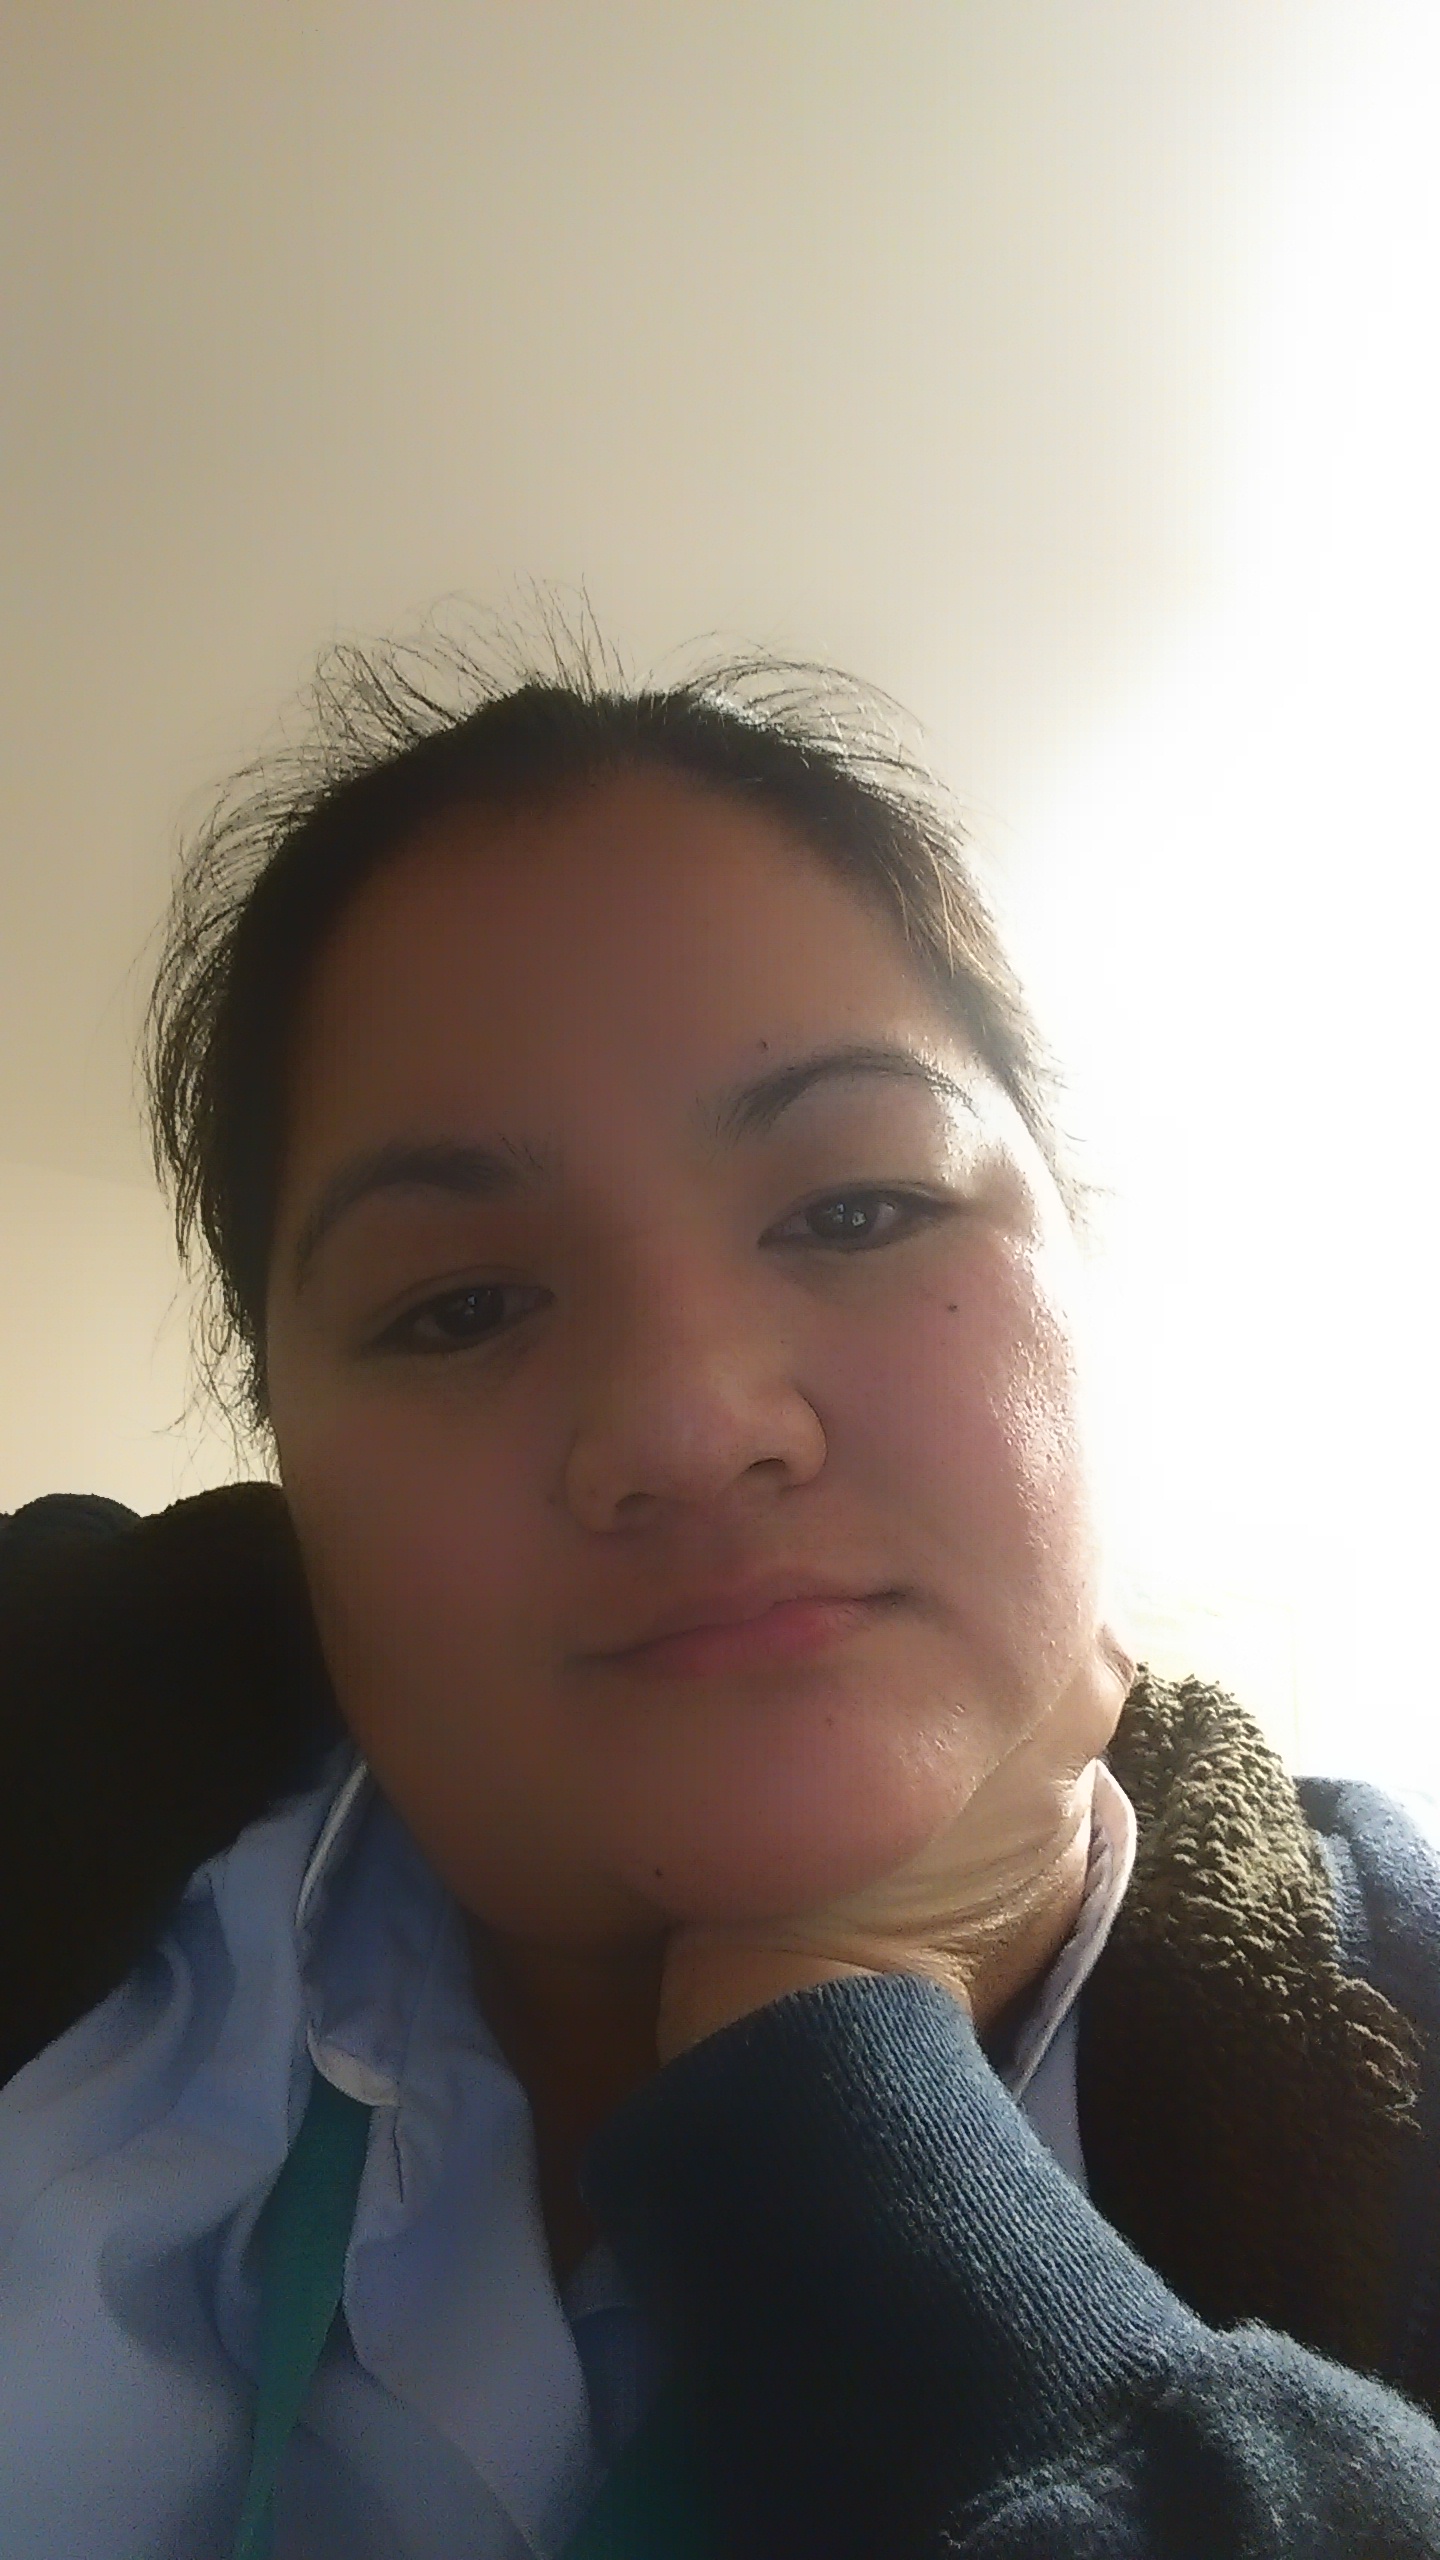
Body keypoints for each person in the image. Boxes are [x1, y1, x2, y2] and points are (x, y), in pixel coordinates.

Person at [3, 623, 1440, 2558]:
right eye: (461, 1307)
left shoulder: (1398, 2025)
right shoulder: (78, 1883)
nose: (687, 1427)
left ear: (1081, 1287)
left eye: (856, 1208)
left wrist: (826, 2071)